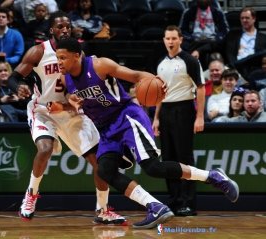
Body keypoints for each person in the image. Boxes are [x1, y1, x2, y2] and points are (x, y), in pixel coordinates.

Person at [50, 36, 239, 229]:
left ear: (76, 56)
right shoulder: (65, 79)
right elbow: (72, 100)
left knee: (152, 167)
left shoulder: (100, 65)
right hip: (105, 128)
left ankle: (213, 176)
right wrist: (66, 105)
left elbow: (137, 76)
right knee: (104, 170)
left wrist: (156, 81)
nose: (59, 62)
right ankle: (155, 206)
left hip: (126, 117)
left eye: (63, 58)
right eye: (57, 58)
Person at [7, 11, 125, 224]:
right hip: (43, 109)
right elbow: (14, 77)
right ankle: (31, 195)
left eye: (67, 27)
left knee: (100, 161)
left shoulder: (77, 51)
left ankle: (103, 209)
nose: (65, 30)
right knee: (45, 149)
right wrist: (20, 87)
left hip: (68, 110)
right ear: (51, 30)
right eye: (60, 27)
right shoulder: (38, 52)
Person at [151, 25, 205, 217]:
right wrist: (156, 118)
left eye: (174, 38)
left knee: (185, 158)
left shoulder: (190, 60)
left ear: (181, 39)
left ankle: (188, 203)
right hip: (165, 110)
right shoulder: (161, 63)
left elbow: (200, 88)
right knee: (168, 160)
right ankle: (173, 201)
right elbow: (159, 93)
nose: (171, 42)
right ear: (164, 40)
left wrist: (199, 116)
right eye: (168, 38)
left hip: (184, 109)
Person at [179, 0, 229, 69]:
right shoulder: (189, 12)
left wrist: (217, 38)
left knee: (219, 43)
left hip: (212, 41)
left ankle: (199, 51)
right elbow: (181, 31)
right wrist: (191, 38)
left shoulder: (218, 12)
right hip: (194, 41)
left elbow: (225, 31)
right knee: (184, 44)